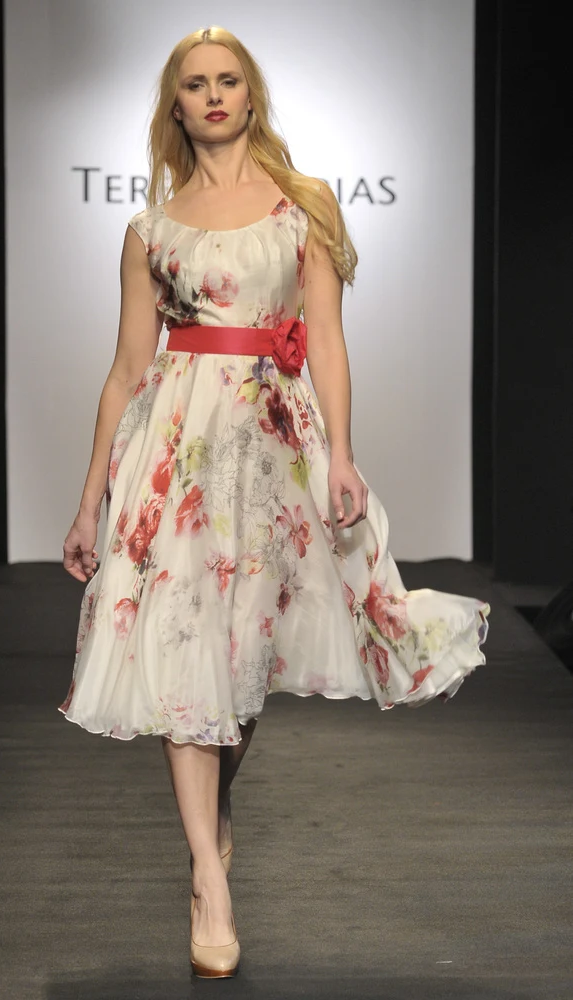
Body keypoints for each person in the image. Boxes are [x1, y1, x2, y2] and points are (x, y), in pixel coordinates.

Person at [59, 26, 490, 978]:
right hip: (174, 454)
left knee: (241, 659)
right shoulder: (150, 231)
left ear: (250, 96)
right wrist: (90, 501)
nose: (213, 95)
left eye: (228, 80)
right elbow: (126, 369)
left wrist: (343, 456)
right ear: (175, 107)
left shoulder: (305, 206)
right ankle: (210, 880)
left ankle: (211, 821)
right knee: (182, 643)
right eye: (195, 84)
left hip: (272, 450)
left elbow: (325, 340)